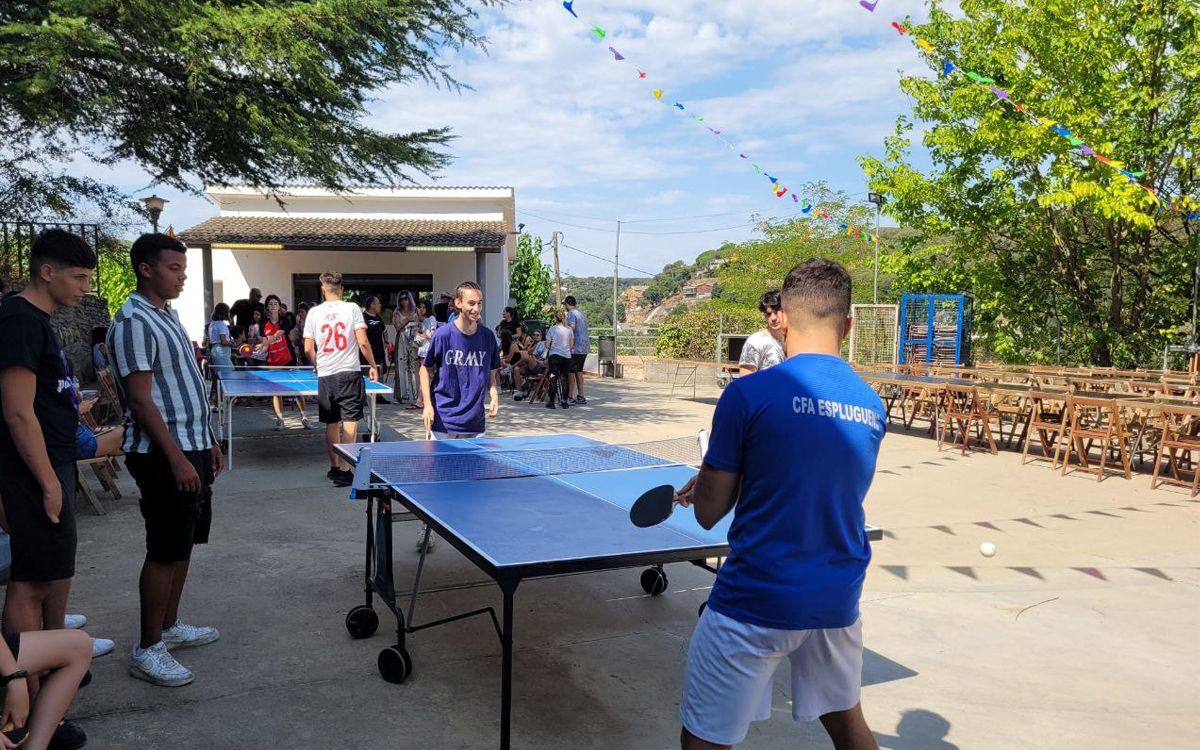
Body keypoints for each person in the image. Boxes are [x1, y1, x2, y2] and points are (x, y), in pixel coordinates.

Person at [673, 259, 885, 750]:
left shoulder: (748, 394)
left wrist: (712, 477)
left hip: (755, 597)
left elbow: (708, 512)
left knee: (704, 741)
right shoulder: (872, 404)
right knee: (847, 723)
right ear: (848, 324)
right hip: (837, 597)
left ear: (782, 318)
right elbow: (807, 479)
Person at [108, 232, 226, 688]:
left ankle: (170, 626)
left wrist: (209, 440)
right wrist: (176, 458)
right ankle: (147, 647)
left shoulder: (167, 315)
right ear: (146, 269)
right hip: (162, 455)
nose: (181, 277)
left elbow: (187, 385)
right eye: (174, 269)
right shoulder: (134, 321)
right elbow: (140, 401)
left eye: (183, 269)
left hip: (193, 445)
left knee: (183, 543)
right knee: (163, 550)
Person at [0, 229, 96, 749]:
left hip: (55, 462)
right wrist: (46, 483)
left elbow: (39, 400)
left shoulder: (40, 321)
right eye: (78, 277)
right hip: (33, 472)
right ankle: (26, 711)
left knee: (50, 577)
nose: (85, 287)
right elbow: (17, 411)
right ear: (48, 272)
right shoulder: (18, 319)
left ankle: (44, 684)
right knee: (29, 585)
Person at [303, 272, 378, 488]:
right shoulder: (352, 308)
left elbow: (308, 348)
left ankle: (334, 467)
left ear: (322, 288)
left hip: (326, 375)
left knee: (332, 423)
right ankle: (346, 472)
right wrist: (372, 365)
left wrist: (318, 365)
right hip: (349, 373)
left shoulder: (314, 313)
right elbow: (363, 342)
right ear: (342, 289)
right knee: (351, 424)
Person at [262, 295, 310, 430]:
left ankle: (304, 417)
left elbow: (281, 335)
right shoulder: (263, 324)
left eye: (275, 304)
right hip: (273, 361)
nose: (273, 306)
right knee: (276, 391)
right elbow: (264, 343)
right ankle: (280, 420)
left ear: (279, 306)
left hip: (289, 360)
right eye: (270, 304)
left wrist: (266, 343)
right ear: (267, 307)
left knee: (296, 390)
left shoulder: (286, 321)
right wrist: (260, 349)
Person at [738, 290, 787, 376]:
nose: (773, 318)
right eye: (768, 314)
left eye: (776, 312)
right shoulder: (755, 341)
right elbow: (745, 380)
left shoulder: (794, 340)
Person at [408, 299, 438, 412]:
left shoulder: (431, 319)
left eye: (423, 307)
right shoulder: (422, 320)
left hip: (428, 351)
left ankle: (421, 400)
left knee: (425, 376)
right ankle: (422, 399)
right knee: (424, 376)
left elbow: (432, 335)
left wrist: (422, 333)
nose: (421, 309)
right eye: (419, 307)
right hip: (422, 351)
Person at [362, 296, 390, 404]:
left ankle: (379, 396)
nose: (380, 305)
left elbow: (385, 331)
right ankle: (363, 397)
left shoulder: (379, 318)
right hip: (366, 352)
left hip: (379, 351)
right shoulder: (363, 317)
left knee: (380, 373)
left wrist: (386, 343)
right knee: (364, 374)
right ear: (372, 305)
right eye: (377, 303)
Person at [391, 291, 418, 404]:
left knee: (414, 367)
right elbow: (397, 326)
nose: (403, 301)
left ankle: (416, 395)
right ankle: (400, 395)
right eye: (401, 299)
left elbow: (419, 323)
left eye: (405, 298)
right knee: (401, 367)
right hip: (401, 338)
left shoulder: (415, 311)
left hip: (413, 339)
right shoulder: (397, 312)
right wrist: (407, 319)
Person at [544, 310, 574, 410]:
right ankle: (565, 401)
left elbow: (547, 345)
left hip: (554, 356)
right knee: (564, 378)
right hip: (566, 356)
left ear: (555, 318)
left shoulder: (552, 329)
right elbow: (571, 345)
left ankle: (552, 402)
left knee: (553, 377)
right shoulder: (569, 329)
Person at [564, 296, 589, 404]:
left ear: (567, 304)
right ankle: (581, 395)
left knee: (571, 372)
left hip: (575, 347)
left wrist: (563, 327)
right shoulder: (581, 314)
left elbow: (572, 327)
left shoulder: (571, 314)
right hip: (584, 347)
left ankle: (570, 396)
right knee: (579, 371)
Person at [207, 303, 234, 374]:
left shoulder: (212, 324)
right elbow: (224, 342)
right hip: (222, 351)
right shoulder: (221, 324)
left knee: (218, 375)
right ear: (225, 313)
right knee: (227, 374)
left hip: (215, 350)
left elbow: (211, 340)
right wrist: (232, 343)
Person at [289, 302, 312, 367]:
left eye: (302, 312)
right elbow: (294, 341)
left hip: (310, 357)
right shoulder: (296, 326)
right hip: (301, 357)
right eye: (298, 312)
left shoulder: (312, 325)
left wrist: (301, 328)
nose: (300, 314)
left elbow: (305, 342)